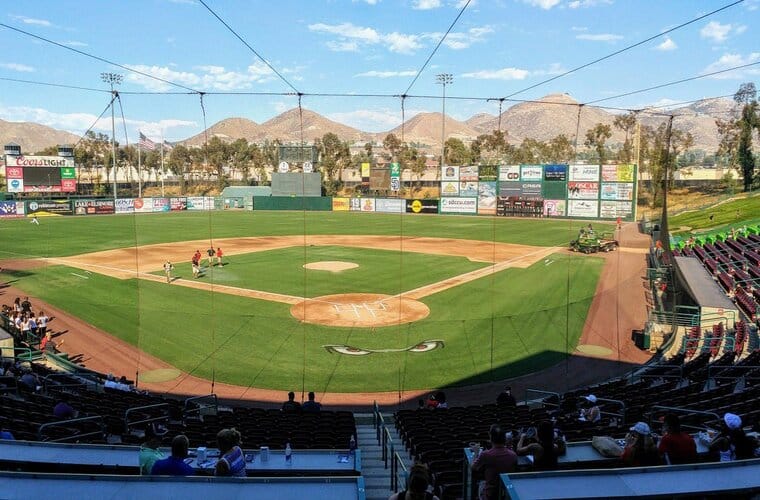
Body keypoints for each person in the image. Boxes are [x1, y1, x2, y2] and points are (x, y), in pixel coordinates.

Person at [472, 424, 518, 499]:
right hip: (508, 494)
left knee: (481, 484)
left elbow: (473, 467)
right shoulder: (513, 455)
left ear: (491, 438)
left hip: (491, 495)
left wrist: (476, 453)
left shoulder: (486, 454)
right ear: (504, 439)